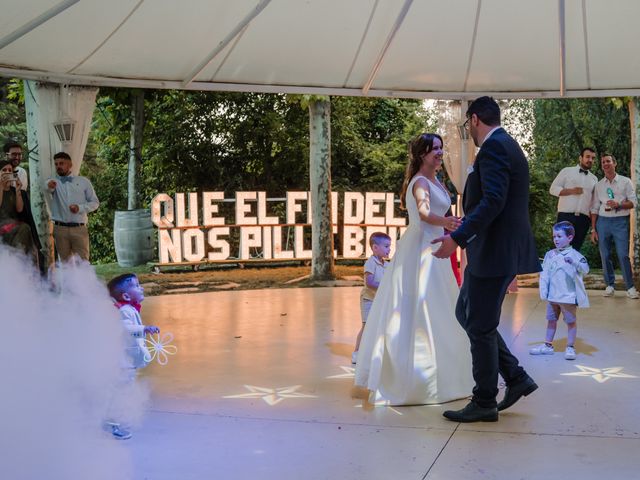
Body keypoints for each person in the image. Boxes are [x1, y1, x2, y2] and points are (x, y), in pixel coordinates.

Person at [432, 96, 541, 422]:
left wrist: (457, 238)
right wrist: (465, 226)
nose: (470, 131)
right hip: (493, 248)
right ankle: (516, 377)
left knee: (478, 324)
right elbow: (495, 202)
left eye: (468, 125)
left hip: (494, 250)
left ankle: (484, 401)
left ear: (475, 119)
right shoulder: (506, 145)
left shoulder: (494, 148)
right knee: (467, 314)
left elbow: (493, 201)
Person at [354, 133, 473, 406]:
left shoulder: (436, 181)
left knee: (440, 309)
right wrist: (448, 222)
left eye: (442, 148)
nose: (440, 153)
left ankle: (441, 370)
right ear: (422, 154)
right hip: (422, 249)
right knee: (419, 308)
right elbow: (423, 212)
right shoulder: (420, 182)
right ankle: (412, 379)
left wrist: (450, 223)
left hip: (435, 246)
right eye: (435, 150)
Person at [106, 273, 160, 440]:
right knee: (120, 391)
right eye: (137, 286)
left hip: (127, 362)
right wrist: (143, 329)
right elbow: (126, 328)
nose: (141, 287)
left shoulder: (129, 309)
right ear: (126, 295)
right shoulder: (124, 311)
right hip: (122, 362)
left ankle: (115, 419)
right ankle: (113, 423)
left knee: (122, 390)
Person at [533, 221, 589, 360]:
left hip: (568, 297)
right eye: (554, 236)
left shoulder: (575, 255)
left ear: (569, 238)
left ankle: (570, 347)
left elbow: (585, 269)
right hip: (553, 297)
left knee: (570, 321)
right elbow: (544, 272)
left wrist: (574, 263)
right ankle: (548, 345)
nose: (556, 239)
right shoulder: (550, 254)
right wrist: (544, 291)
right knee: (551, 320)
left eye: (559, 236)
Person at [589, 154, 639, 299]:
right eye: (603, 162)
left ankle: (630, 287)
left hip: (620, 222)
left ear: (614, 163)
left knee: (623, 255)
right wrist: (593, 228)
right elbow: (594, 208)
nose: (605, 164)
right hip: (603, 222)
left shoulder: (625, 181)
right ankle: (609, 285)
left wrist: (620, 205)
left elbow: (633, 203)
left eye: (608, 161)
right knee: (605, 255)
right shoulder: (599, 185)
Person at [46, 151, 99, 262]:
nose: (58, 166)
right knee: (65, 265)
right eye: (56, 164)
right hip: (60, 229)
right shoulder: (52, 182)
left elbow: (95, 203)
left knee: (83, 263)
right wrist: (49, 185)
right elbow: (47, 187)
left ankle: (84, 280)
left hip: (79, 228)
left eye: (61, 163)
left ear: (70, 165)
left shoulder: (84, 181)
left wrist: (80, 208)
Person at [352, 232, 391, 365]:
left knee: (379, 324)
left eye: (389, 246)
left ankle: (374, 351)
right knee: (366, 325)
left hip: (380, 300)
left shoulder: (387, 265)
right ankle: (356, 352)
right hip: (368, 299)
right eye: (386, 246)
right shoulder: (370, 263)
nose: (389, 249)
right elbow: (369, 282)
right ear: (375, 248)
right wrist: (384, 287)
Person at [549, 148, 598, 251]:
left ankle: (571, 267)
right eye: (587, 157)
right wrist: (571, 191)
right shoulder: (567, 171)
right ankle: (556, 267)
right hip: (565, 216)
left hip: (583, 220)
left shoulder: (594, 179)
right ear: (580, 158)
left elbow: (594, 203)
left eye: (593, 158)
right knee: (560, 248)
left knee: (575, 250)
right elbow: (553, 189)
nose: (590, 160)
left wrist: (593, 226)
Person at [0, 160, 38, 262]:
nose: (7, 172)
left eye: (10, 170)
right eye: (4, 170)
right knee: (24, 228)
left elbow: (19, 209)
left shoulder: (13, 190)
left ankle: (21, 263)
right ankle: (18, 261)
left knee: (25, 229)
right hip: (2, 225)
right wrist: (1, 186)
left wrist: (17, 190)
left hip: (14, 226)